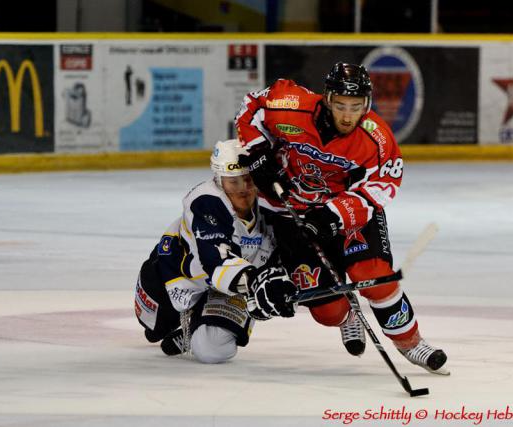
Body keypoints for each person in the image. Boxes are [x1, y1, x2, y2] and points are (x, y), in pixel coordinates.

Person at [234, 62, 448, 374]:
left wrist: (335, 214)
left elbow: (383, 186)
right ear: (327, 99)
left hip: (347, 211)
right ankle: (347, 316)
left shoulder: (377, 139)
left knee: (372, 276)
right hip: (288, 210)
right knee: (326, 309)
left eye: (356, 107)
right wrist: (257, 153)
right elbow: (252, 106)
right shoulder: (292, 107)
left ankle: (411, 342)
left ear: (367, 104)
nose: (348, 116)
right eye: (341, 106)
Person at [134, 139, 297, 364]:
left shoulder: (271, 203)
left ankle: (194, 330)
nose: (243, 189)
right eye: (234, 181)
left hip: (231, 287)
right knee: (153, 329)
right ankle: (189, 317)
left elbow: (291, 254)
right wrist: (255, 282)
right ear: (219, 180)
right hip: (178, 276)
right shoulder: (206, 201)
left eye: (248, 180)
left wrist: (277, 287)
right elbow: (214, 260)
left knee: (212, 350)